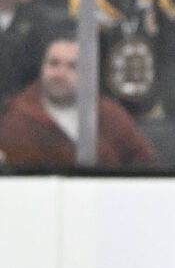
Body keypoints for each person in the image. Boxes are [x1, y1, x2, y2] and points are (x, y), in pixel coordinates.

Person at [0, 30, 156, 166]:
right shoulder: (15, 116)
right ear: (42, 67)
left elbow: (146, 168)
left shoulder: (110, 116)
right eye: (54, 64)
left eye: (73, 66)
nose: (60, 74)